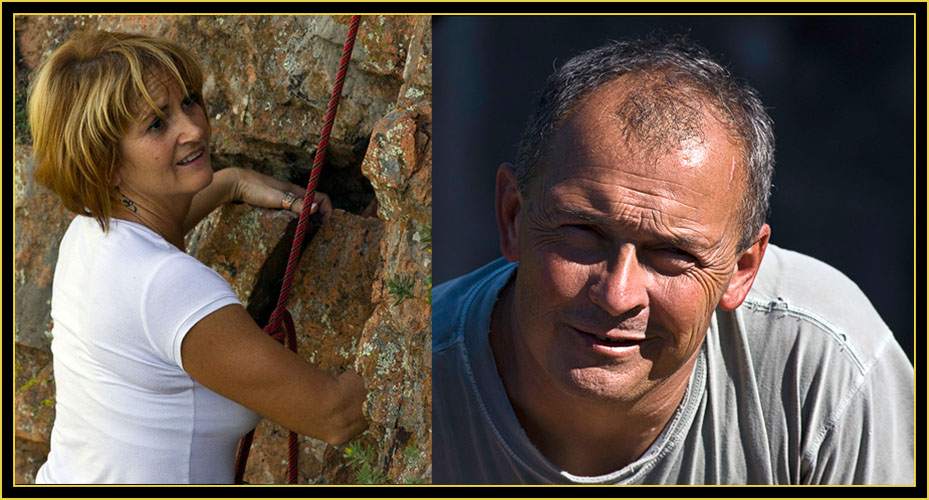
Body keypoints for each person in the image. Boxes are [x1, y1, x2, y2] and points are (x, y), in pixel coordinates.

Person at [432, 35, 914, 485]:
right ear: (513, 217)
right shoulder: (407, 378)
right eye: (584, 233)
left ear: (742, 270)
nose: (617, 295)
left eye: (673, 254)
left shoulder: (823, 368)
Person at [27, 31, 368, 484]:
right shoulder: (169, 284)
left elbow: (160, 234)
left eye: (189, 101)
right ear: (104, 161)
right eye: (157, 124)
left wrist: (232, 181)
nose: (194, 129)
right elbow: (337, 415)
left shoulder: (89, 235)